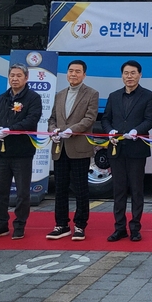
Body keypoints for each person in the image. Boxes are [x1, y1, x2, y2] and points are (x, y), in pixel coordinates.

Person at [100, 60, 152, 242]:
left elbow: (149, 120)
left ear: (140, 75)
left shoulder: (148, 96)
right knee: (118, 190)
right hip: (116, 148)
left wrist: (136, 131)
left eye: (133, 73)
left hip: (136, 148)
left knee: (136, 189)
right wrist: (109, 131)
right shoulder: (114, 96)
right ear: (122, 75)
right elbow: (106, 119)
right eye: (126, 73)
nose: (129, 76)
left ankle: (135, 228)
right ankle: (119, 228)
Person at [0, 63, 43, 240]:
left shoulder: (33, 98)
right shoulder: (3, 97)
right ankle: (0, 224)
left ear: (26, 78)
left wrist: (10, 129)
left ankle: (19, 225)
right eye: (12, 75)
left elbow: (31, 120)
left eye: (19, 76)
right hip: (2, 152)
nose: (15, 79)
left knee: (22, 192)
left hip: (22, 152)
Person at [46, 60, 99, 242]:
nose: (73, 74)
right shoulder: (60, 94)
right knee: (60, 188)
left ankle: (80, 225)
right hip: (60, 148)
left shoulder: (91, 94)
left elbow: (90, 118)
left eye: (77, 71)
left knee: (80, 188)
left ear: (84, 75)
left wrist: (72, 130)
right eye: (70, 71)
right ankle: (61, 225)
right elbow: (52, 118)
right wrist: (53, 130)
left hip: (79, 148)